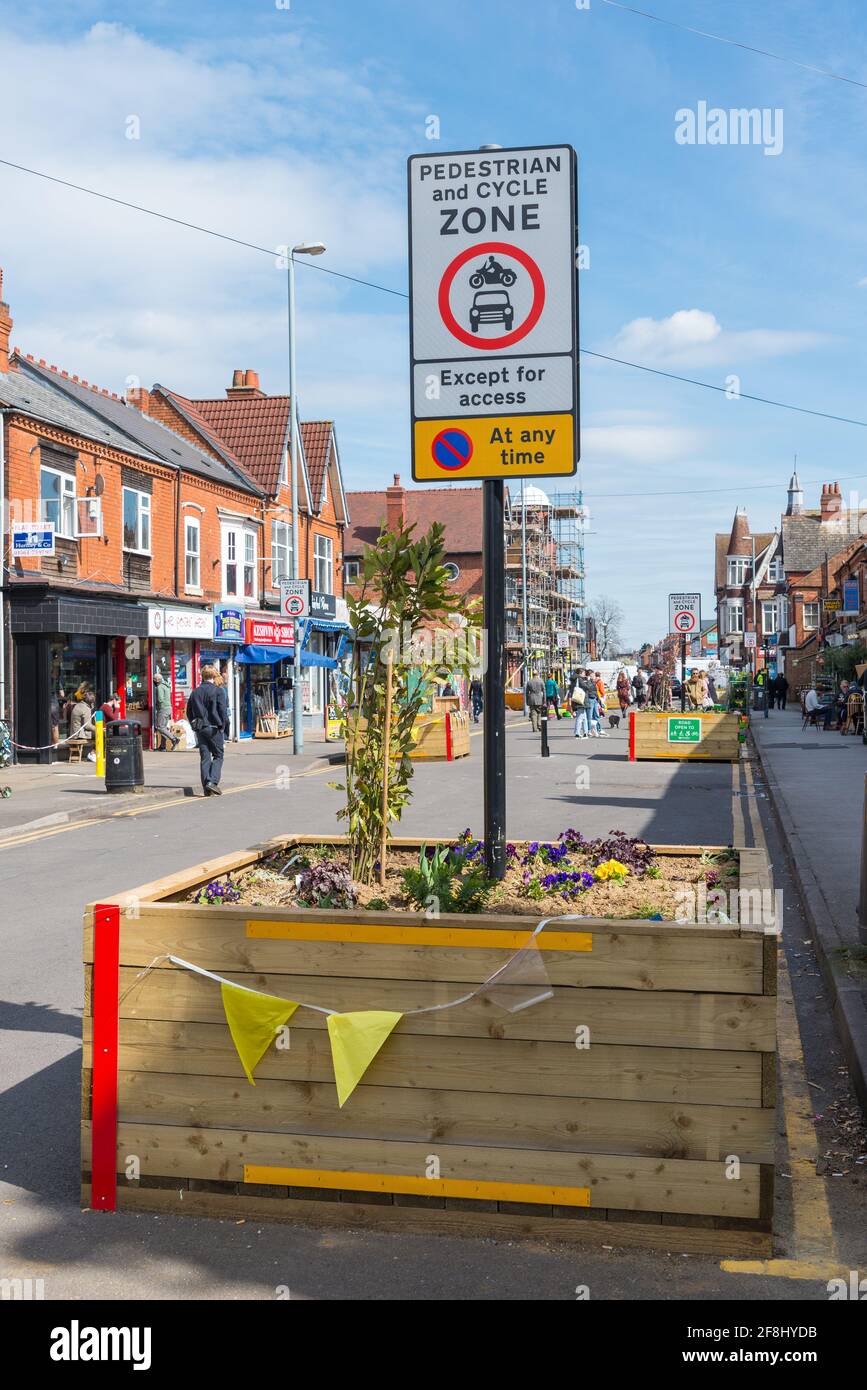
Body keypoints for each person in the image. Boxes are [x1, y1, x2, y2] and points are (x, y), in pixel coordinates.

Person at [186, 664, 230, 796]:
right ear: (214, 675)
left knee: (205, 757)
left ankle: (206, 787)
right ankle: (212, 782)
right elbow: (222, 711)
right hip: (214, 727)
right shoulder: (218, 691)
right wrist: (224, 725)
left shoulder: (195, 692)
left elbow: (189, 711)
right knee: (218, 755)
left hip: (200, 728)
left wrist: (194, 724)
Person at [152, 669, 179, 750]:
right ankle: (162, 746)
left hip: (163, 708)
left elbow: (160, 699)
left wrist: (156, 704)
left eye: (153, 679)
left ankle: (174, 739)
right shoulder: (166, 685)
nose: (153, 681)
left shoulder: (159, 687)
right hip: (168, 708)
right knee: (163, 727)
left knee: (160, 727)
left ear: (157, 680)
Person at [69, 690, 96, 761]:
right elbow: (87, 725)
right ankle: (92, 754)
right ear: (92, 702)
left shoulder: (77, 705)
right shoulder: (86, 709)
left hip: (74, 733)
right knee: (102, 735)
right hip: (80, 735)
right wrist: (98, 728)